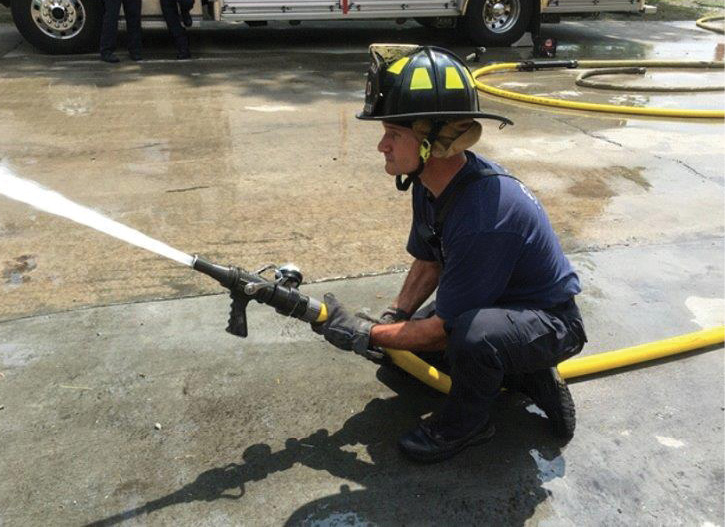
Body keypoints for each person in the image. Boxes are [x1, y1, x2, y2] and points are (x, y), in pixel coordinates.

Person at [312, 45, 587, 463]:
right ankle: (526, 375)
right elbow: (429, 260)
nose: (382, 146)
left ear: (432, 143)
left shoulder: (483, 214)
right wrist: (392, 320)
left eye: (395, 134)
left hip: (549, 321)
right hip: (499, 304)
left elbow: (445, 328)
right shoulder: (432, 184)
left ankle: (468, 425)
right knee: (399, 360)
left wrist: (362, 332)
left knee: (472, 338)